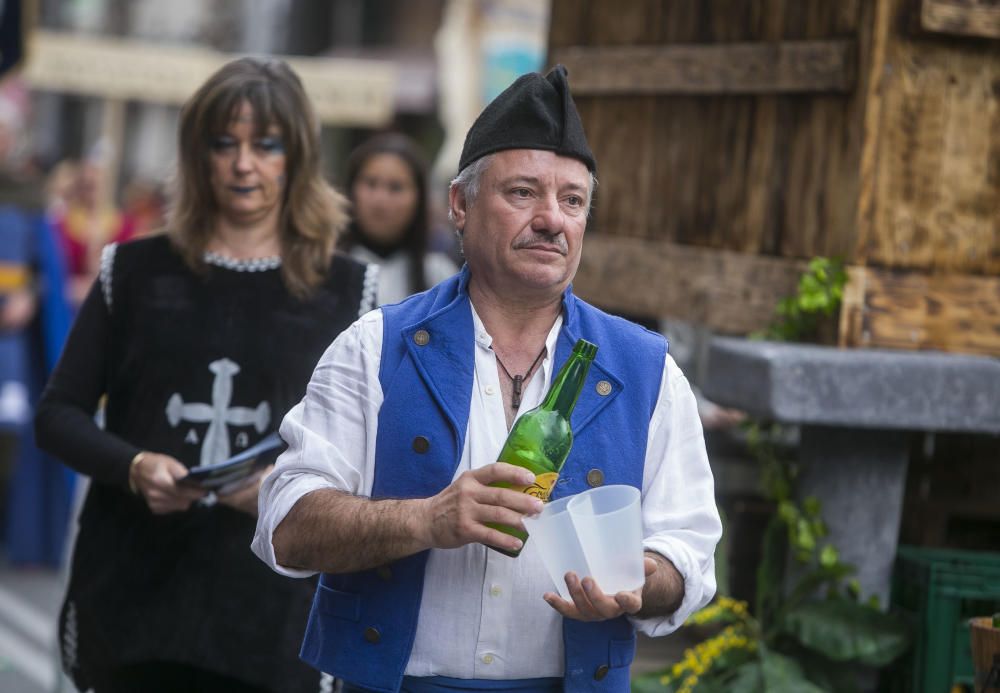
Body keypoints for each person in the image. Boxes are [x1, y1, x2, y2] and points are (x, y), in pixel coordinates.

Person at [253, 65, 721, 692]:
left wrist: (639, 578)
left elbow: (689, 557)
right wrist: (426, 520)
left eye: (573, 200)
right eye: (523, 193)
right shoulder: (374, 348)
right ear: (460, 204)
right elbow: (286, 525)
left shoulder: (648, 371)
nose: (553, 219)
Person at [35, 57, 378, 693]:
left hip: (272, 608)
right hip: (135, 591)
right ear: (199, 154)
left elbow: (372, 451)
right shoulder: (133, 272)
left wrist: (291, 485)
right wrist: (133, 466)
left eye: (264, 144)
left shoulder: (349, 290)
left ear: (296, 155)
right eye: (224, 143)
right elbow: (58, 415)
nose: (243, 163)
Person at [339, 132, 458, 304]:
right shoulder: (325, 270)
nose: (380, 200)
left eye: (395, 187)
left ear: (419, 197)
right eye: (371, 183)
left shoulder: (440, 276)